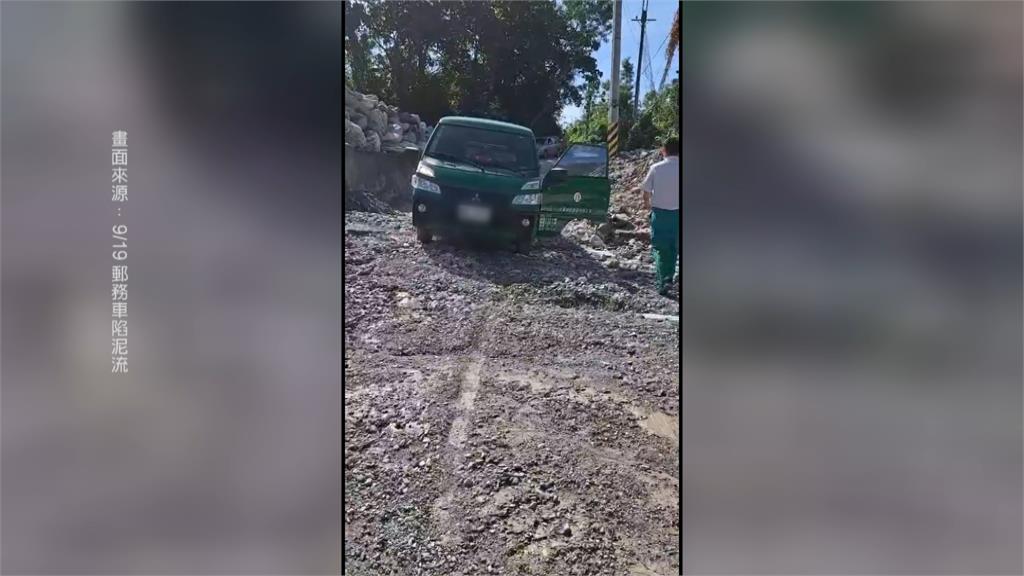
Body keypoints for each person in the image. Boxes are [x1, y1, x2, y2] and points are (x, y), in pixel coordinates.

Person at [637, 136, 680, 296]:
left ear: (664, 150)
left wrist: (648, 206)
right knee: (675, 247)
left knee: (661, 249)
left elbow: (646, 192)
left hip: (660, 214)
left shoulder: (656, 168)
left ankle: (663, 282)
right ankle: (672, 276)